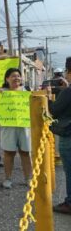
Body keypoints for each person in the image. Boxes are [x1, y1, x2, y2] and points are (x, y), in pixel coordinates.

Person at [0, 68, 32, 189]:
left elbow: (36, 105)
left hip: (24, 127)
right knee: (9, 153)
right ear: (7, 79)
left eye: (18, 76)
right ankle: (8, 179)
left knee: (25, 153)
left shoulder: (27, 91)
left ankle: (28, 178)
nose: (16, 78)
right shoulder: (0, 93)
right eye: (13, 76)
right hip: (7, 128)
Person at [48, 57, 71, 214]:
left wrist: (49, 97)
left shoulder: (69, 92)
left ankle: (69, 203)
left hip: (68, 137)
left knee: (69, 171)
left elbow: (53, 110)